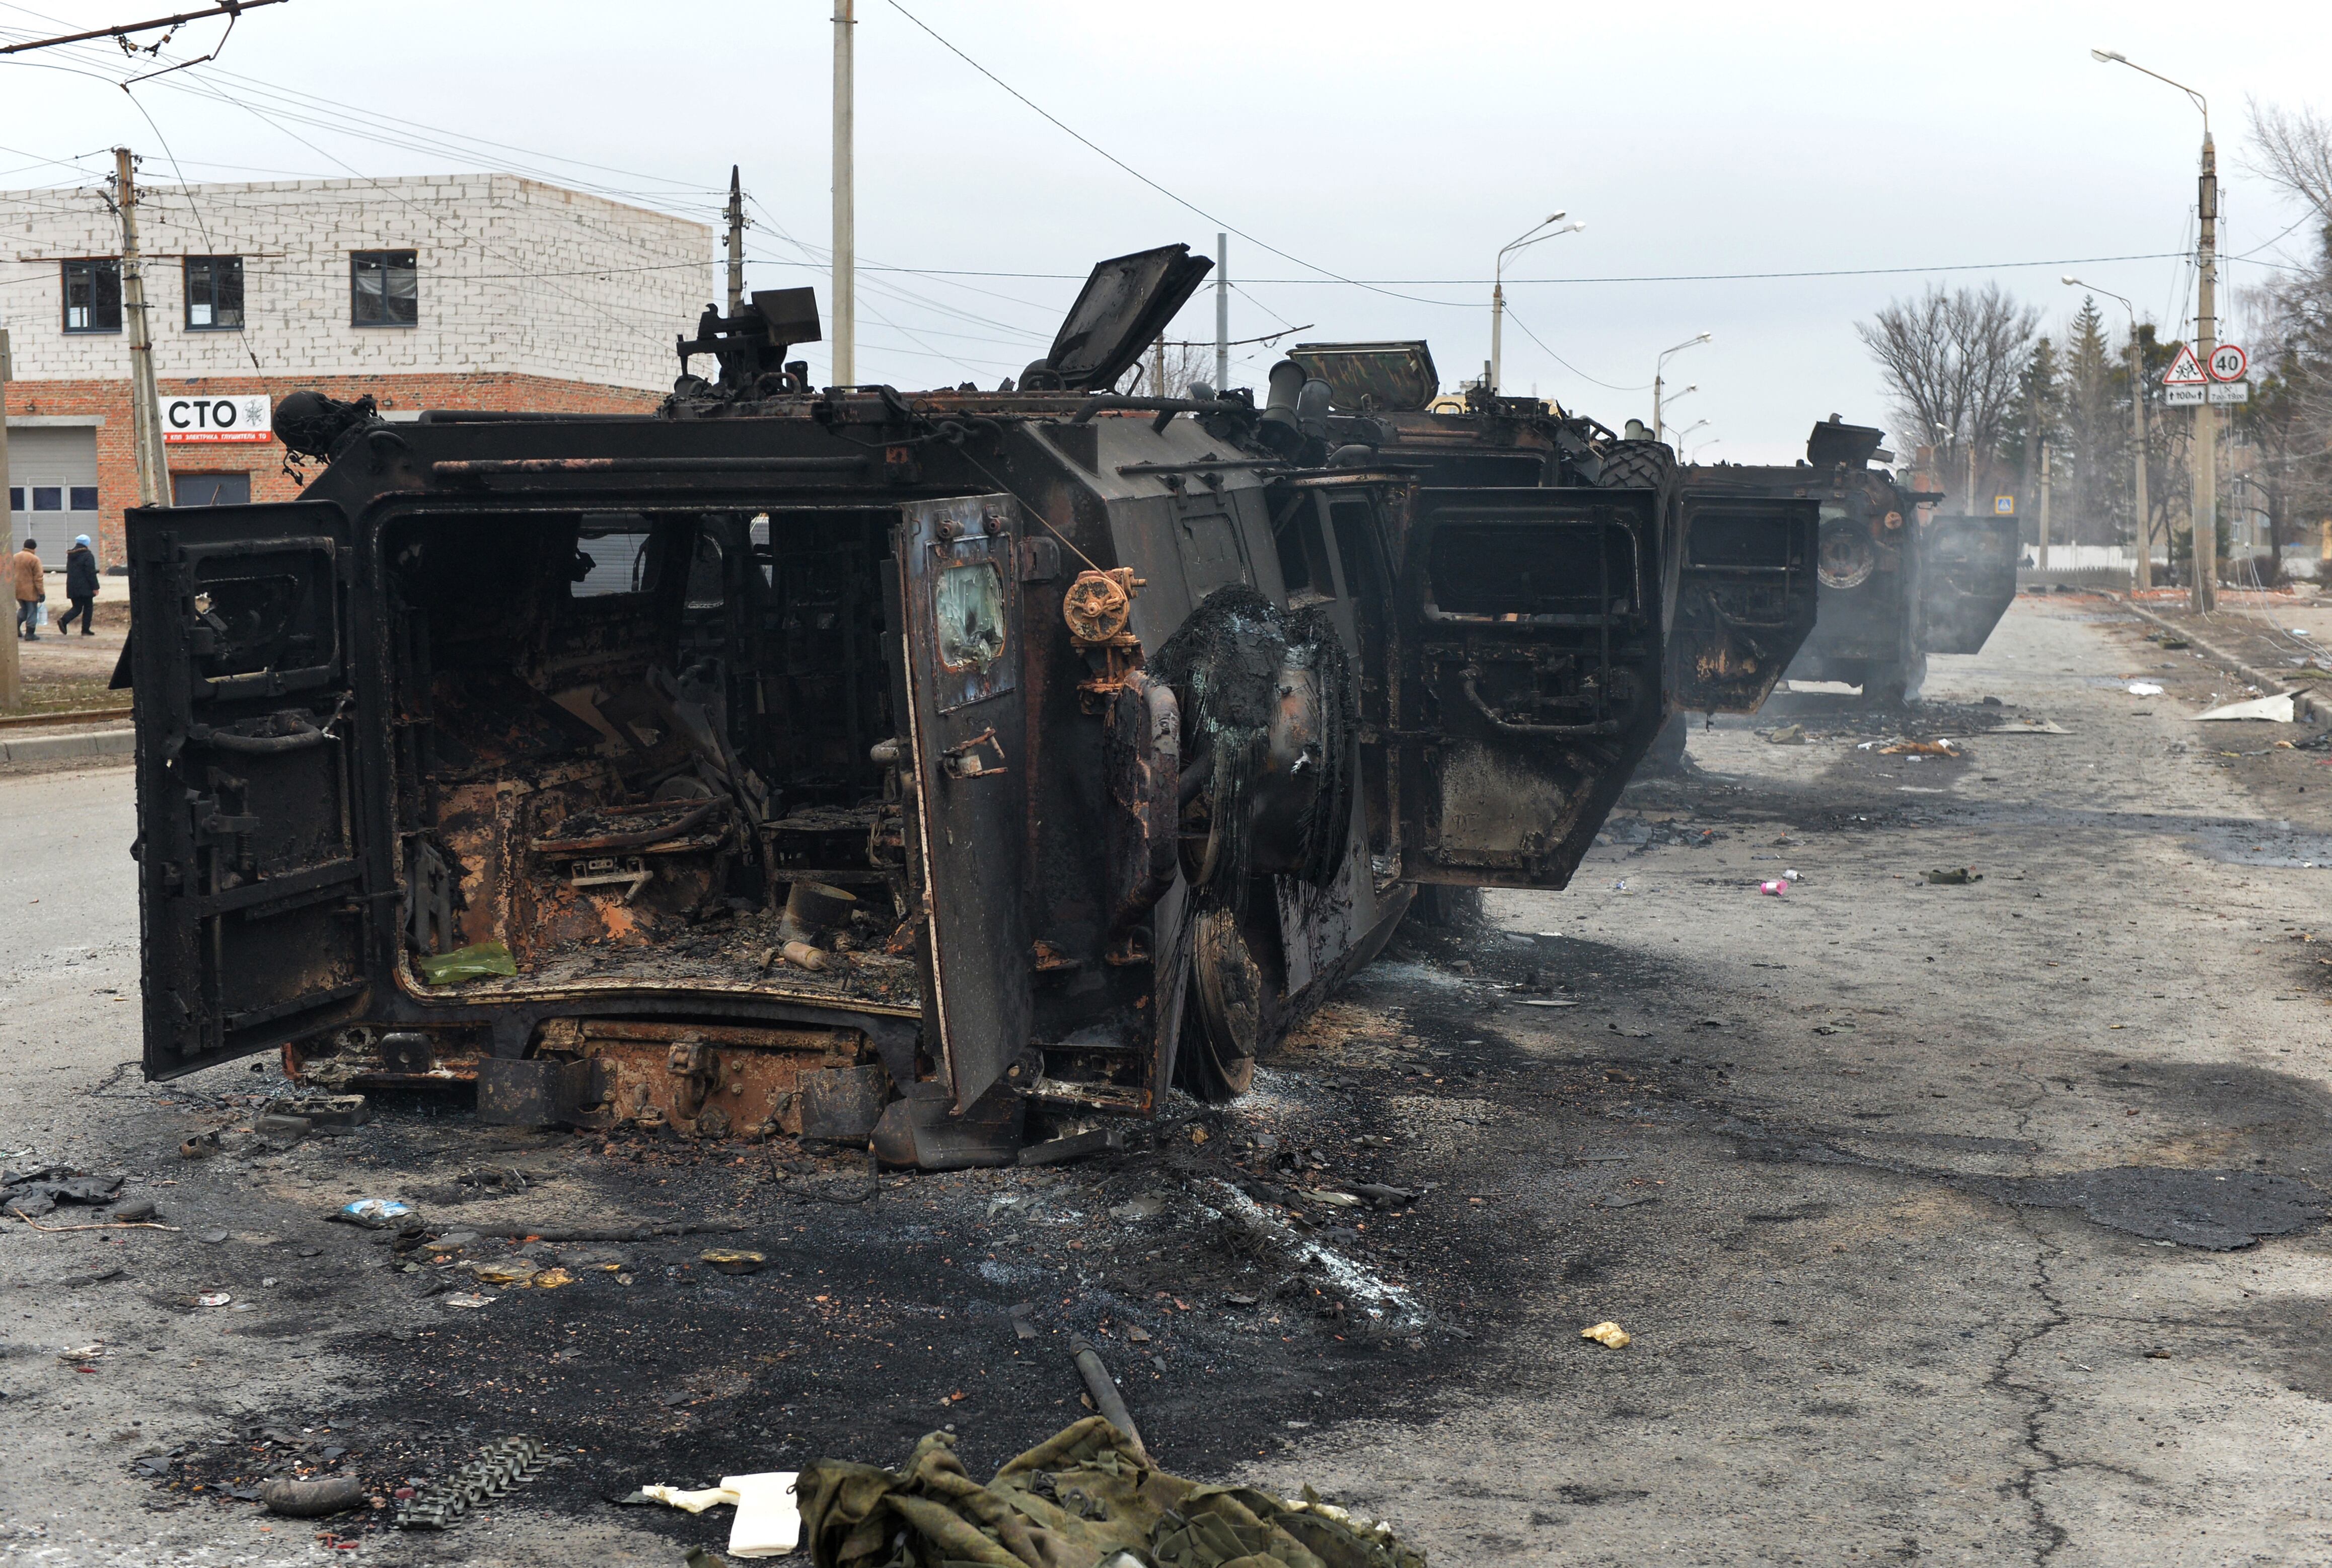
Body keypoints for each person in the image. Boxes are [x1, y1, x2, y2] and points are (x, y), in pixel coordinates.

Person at [56, 535, 97, 637]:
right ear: (87, 543)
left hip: (72, 586)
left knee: (77, 607)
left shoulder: (71, 555)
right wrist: (95, 587)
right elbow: (91, 573)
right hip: (86, 587)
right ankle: (85, 630)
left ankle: (64, 620)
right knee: (88, 608)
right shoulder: (88, 555)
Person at [11, 538, 41, 641]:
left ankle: (15, 629)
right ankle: (30, 634)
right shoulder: (34, 559)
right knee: (32, 611)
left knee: (24, 609)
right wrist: (41, 593)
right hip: (30, 591)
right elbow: (38, 578)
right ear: (34, 548)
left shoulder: (15, 557)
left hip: (17, 589)